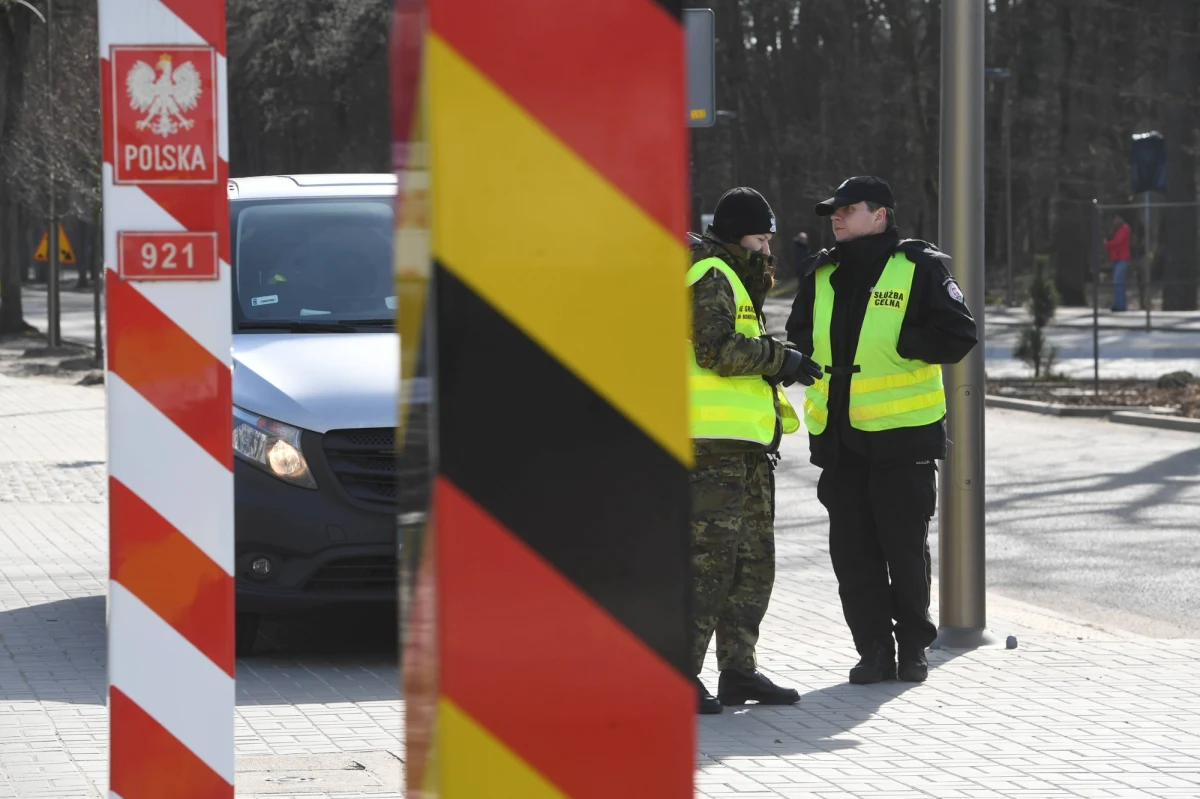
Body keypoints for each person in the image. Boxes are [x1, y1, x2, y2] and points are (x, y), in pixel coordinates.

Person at [785, 176, 978, 685]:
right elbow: (800, 333)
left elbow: (960, 334)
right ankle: (872, 650)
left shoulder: (920, 268)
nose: (837, 216)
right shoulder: (822, 272)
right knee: (853, 556)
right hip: (840, 439)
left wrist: (901, 343)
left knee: (904, 551)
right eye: (834, 210)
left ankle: (913, 649)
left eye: (849, 209)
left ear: (880, 215)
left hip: (902, 438)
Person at [687, 187, 822, 714]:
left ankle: (739, 670)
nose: (768, 249)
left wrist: (779, 360)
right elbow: (715, 349)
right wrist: (780, 359)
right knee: (708, 565)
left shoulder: (736, 277)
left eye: (769, 238)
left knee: (752, 563)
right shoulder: (710, 274)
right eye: (760, 238)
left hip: (743, 449)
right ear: (735, 234)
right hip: (707, 449)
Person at [1104, 213, 1131, 312]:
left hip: (1122, 258)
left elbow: (1118, 242)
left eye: (1116, 218)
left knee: (1118, 281)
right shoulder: (1119, 229)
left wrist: (1107, 244)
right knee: (1118, 282)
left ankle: (1120, 305)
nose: (1114, 221)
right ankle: (1119, 304)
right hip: (1118, 258)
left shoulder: (1124, 228)